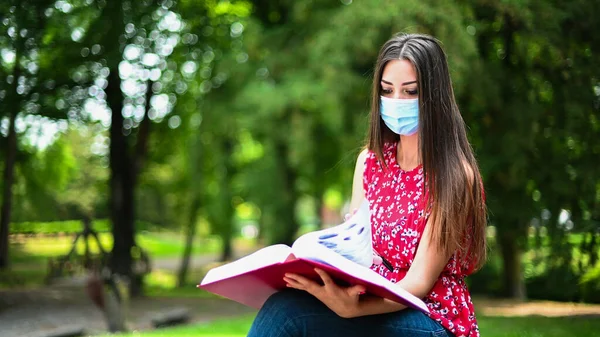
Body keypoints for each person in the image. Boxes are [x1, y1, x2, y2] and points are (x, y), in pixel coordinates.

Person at [247, 33, 487, 337]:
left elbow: (419, 282)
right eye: (387, 90)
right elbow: (357, 248)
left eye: (410, 91)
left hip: (431, 316)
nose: (396, 102)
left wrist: (356, 309)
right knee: (285, 303)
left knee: (289, 316)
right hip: (370, 299)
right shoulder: (371, 162)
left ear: (434, 95)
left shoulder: (454, 176)